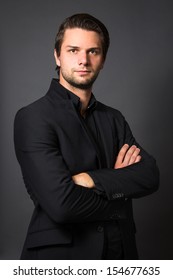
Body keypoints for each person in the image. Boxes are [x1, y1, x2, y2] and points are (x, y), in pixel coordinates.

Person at [14, 13, 159, 260]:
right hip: (61, 261)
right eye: (73, 50)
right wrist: (120, 190)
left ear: (102, 60)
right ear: (57, 56)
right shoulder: (33, 117)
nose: (83, 60)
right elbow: (63, 206)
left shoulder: (114, 119)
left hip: (121, 257)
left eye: (93, 51)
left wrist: (90, 179)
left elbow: (150, 176)